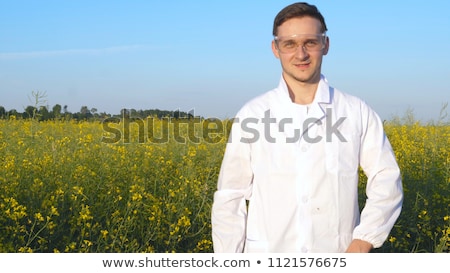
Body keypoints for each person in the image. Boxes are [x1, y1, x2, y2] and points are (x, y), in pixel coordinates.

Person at [211, 2, 403, 253]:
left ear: (325, 45)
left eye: (310, 42)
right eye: (289, 44)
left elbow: (386, 179)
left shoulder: (356, 111)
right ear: (275, 48)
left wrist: (362, 241)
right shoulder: (253, 115)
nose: (300, 54)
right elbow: (230, 196)